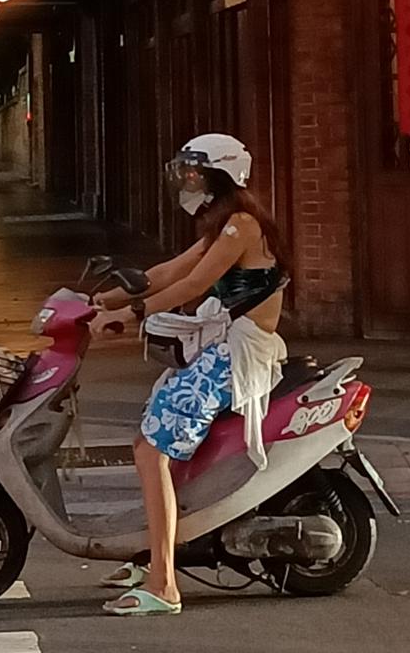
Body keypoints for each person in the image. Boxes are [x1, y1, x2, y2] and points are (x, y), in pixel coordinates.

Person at [89, 133, 287, 619]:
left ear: (220, 176)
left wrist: (129, 315)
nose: (187, 181)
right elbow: (169, 271)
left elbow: (194, 284)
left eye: (195, 173)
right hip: (221, 346)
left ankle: (163, 584)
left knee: (150, 449)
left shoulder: (241, 225)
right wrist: (103, 299)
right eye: (185, 172)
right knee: (154, 443)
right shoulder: (223, 226)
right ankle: (155, 554)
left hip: (237, 354)